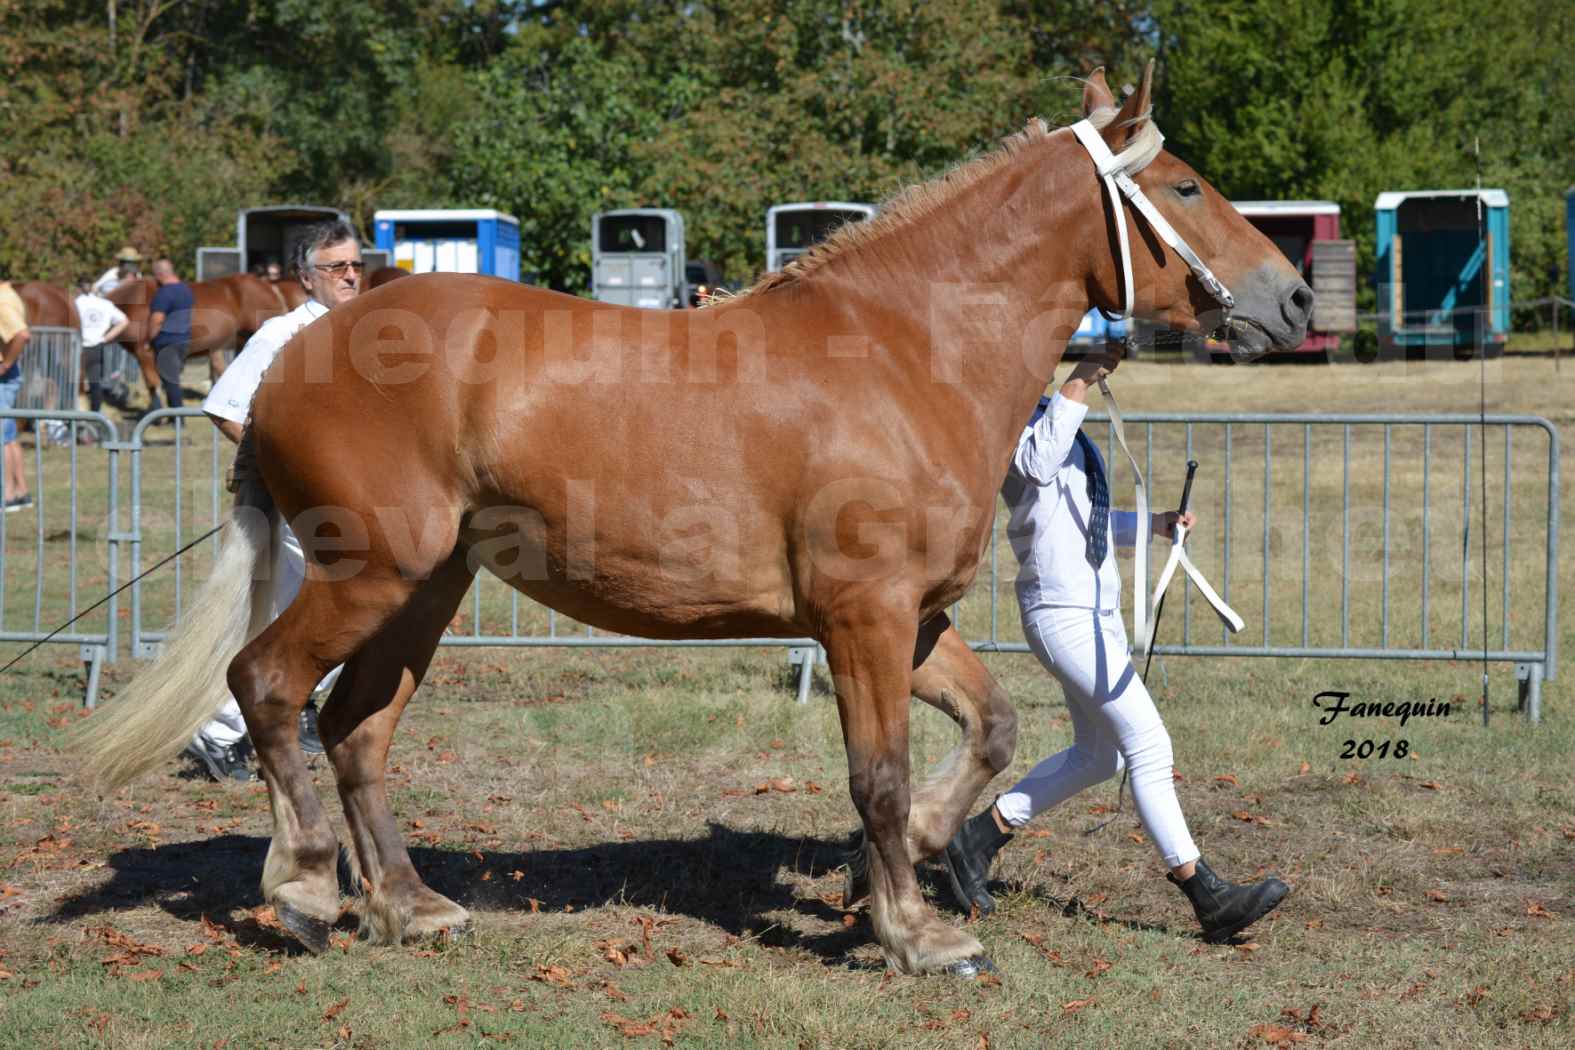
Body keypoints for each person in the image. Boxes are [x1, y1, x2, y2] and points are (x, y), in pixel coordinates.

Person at [942, 351, 1290, 944]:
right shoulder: (1006, 421)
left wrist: (1152, 524)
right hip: (1063, 614)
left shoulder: (1052, 412)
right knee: (1149, 744)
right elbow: (1036, 465)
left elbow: (1083, 518)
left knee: (1099, 757)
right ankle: (1205, 894)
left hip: (1093, 612)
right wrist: (1078, 383)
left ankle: (977, 839)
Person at [183, 219, 365, 781]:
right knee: (325, 610)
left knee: (328, 613)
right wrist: (286, 470)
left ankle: (268, 716)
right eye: (337, 267)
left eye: (357, 265)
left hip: (350, 500)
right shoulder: (283, 333)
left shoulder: (366, 331)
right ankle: (217, 731)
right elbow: (225, 406)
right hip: (301, 502)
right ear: (305, 277)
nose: (351, 276)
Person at [74, 277, 131, 416]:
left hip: (77, 347)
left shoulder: (74, 303)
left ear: (78, 288)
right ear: (92, 287)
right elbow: (124, 321)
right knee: (95, 383)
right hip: (97, 346)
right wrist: (106, 337)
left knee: (75, 382)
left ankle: (75, 414)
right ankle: (95, 414)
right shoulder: (105, 304)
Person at [0, 276, 32, 512]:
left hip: (3, 375)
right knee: (8, 436)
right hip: (7, 375)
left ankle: (7, 495)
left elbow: (22, 334)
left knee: (3, 437)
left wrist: (5, 364)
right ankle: (21, 491)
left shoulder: (1, 299)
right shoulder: (9, 294)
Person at [146, 258, 195, 411]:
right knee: (172, 379)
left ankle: (177, 418)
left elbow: (157, 320)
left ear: (160, 275)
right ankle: (173, 414)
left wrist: (149, 339)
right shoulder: (186, 290)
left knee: (171, 381)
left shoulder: (163, 293)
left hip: (167, 342)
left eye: (155, 276)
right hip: (184, 340)